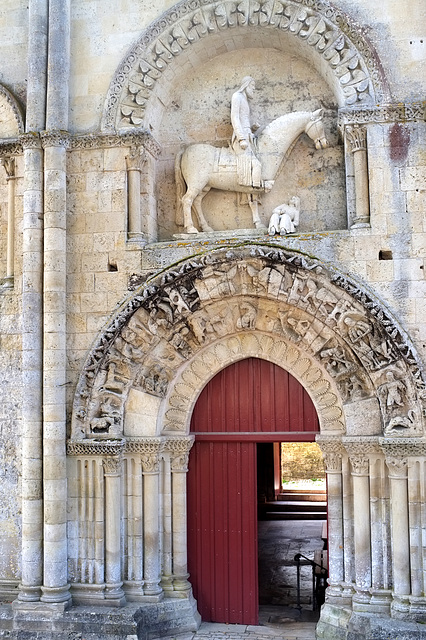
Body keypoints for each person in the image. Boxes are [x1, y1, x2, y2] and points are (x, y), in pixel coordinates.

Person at [231, 76, 262, 188]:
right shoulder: (237, 96)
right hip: (242, 138)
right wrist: (241, 138)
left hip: (248, 136)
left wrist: (252, 128)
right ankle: (254, 188)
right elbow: (235, 118)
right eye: (252, 86)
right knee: (256, 165)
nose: (254, 89)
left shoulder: (245, 100)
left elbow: (243, 121)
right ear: (246, 85)